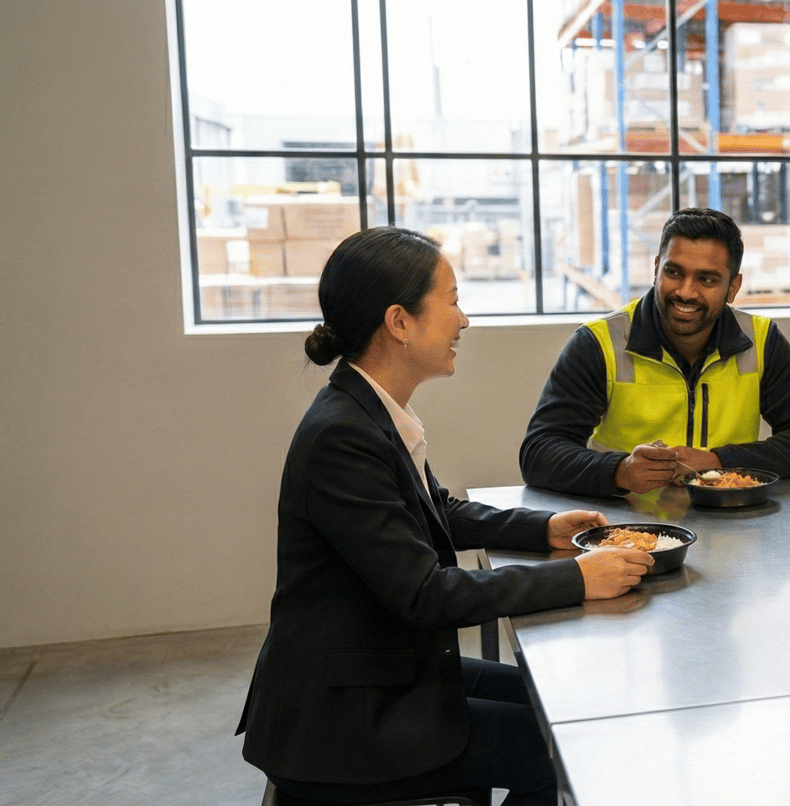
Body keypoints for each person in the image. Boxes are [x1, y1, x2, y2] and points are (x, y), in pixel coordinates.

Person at [236, 226, 654, 805]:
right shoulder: (343, 437)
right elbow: (426, 595)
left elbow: (438, 513)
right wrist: (578, 577)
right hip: (343, 717)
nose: (464, 320)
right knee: (555, 749)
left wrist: (543, 528)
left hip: (381, 673)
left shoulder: (369, 411)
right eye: (453, 300)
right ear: (399, 322)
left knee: (551, 705)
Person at [520, 207, 790, 497]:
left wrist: (717, 461)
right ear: (656, 268)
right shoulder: (599, 342)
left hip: (734, 529)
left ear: (733, 287)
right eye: (674, 272)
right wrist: (620, 471)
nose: (686, 291)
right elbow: (539, 451)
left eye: (707, 279)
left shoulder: (760, 340)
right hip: (625, 533)